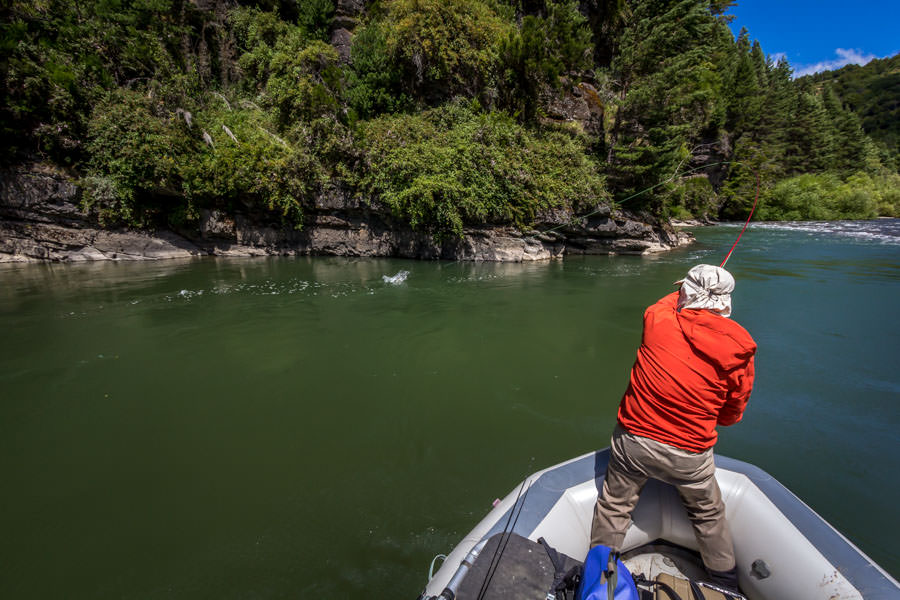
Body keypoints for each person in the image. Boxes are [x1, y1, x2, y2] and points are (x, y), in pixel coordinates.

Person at [590, 264, 757, 592]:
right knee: (708, 516)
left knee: (614, 505)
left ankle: (602, 582)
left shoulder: (658, 319)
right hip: (690, 455)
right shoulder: (740, 349)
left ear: (685, 294)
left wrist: (687, 289)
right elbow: (732, 413)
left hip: (633, 444)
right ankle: (725, 587)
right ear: (725, 303)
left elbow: (666, 302)